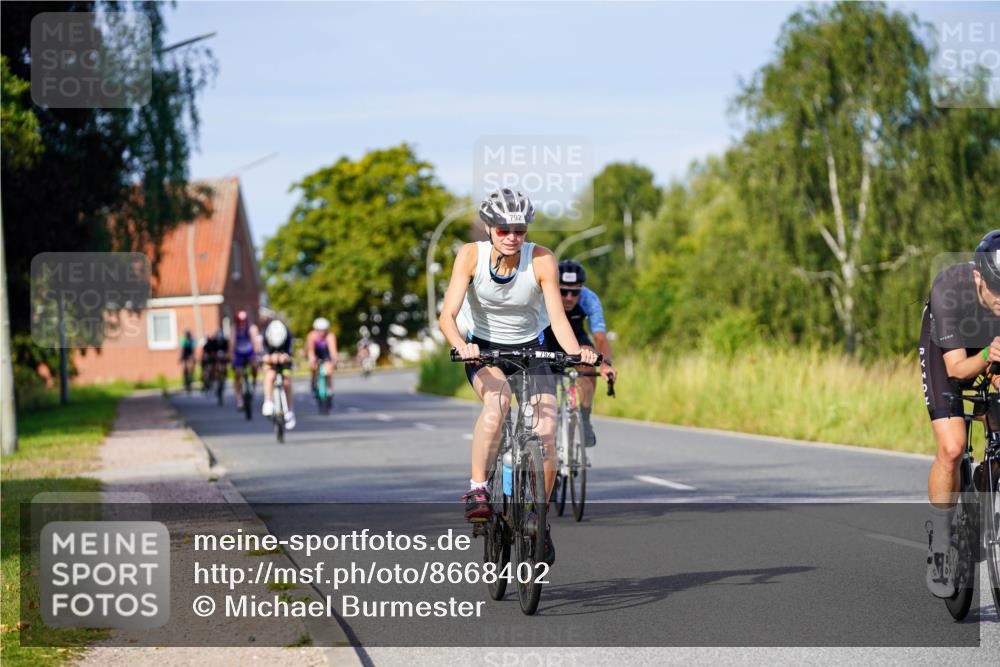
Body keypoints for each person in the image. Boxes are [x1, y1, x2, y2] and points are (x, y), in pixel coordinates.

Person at [438, 188, 597, 566]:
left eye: (520, 230)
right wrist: (461, 345)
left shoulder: (541, 259)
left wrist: (578, 352)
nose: (512, 237)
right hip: (484, 349)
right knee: (498, 403)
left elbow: (558, 319)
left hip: (531, 348)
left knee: (547, 432)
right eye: (504, 229)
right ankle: (479, 489)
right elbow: (447, 316)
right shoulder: (470, 256)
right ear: (489, 228)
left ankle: (538, 519)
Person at [920, 230, 1000, 597]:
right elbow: (956, 370)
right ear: (979, 278)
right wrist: (986, 355)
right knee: (952, 447)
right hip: (948, 352)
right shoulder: (949, 289)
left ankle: (988, 478)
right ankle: (940, 545)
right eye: (997, 291)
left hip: (990, 348)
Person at [541, 260, 618, 446]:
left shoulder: (589, 298)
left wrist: (606, 365)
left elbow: (599, 336)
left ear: (581, 289)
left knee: (589, 362)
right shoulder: (542, 296)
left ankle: (584, 417)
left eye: (574, 292)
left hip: (576, 339)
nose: (569, 297)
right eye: (563, 291)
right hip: (546, 340)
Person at [261, 318, 296, 430]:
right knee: (270, 375)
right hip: (271, 360)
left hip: (284, 361)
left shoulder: (288, 336)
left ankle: (289, 410)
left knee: (287, 380)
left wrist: (285, 357)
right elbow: (263, 354)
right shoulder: (265, 336)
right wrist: (269, 358)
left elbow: (290, 354)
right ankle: (268, 401)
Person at [230, 310, 260, 412]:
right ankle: (239, 399)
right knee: (237, 374)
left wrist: (256, 354)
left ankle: (254, 384)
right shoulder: (234, 328)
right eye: (240, 322)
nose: (242, 324)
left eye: (243, 321)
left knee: (254, 366)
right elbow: (232, 343)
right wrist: (231, 355)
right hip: (238, 353)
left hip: (249, 352)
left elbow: (255, 341)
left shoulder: (251, 327)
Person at [307, 317, 338, 400]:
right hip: (316, 354)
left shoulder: (330, 336)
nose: (322, 333)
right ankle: (313, 382)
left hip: (326, 354)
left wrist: (334, 361)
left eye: (324, 330)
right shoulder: (311, 336)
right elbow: (310, 350)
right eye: (319, 330)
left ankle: (329, 388)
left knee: (328, 370)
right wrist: (312, 359)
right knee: (313, 367)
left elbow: (333, 351)